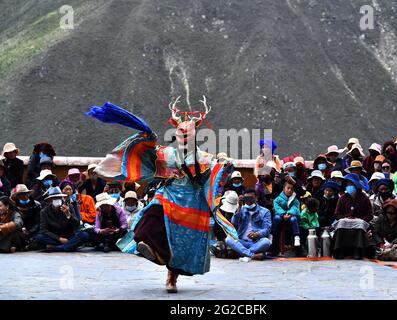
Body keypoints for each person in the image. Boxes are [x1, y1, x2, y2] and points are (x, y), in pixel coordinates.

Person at [87, 97, 238, 293]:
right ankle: (149, 248)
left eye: (187, 134)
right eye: (181, 133)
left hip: (192, 202)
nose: (184, 136)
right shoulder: (166, 154)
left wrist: (225, 163)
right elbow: (145, 160)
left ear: (193, 136)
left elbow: (217, 175)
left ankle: (171, 278)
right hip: (168, 195)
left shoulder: (204, 158)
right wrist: (145, 140)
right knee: (150, 217)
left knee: (181, 242)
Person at [34, 187, 89, 252]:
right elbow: (43, 230)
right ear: (51, 200)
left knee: (84, 235)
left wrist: (68, 214)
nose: (57, 199)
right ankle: (70, 246)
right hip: (55, 237)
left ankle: (57, 248)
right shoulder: (44, 211)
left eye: (59, 197)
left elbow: (76, 225)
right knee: (39, 238)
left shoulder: (69, 207)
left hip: (69, 236)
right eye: (55, 198)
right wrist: (59, 239)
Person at [333, 173, 373, 259]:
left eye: (351, 184)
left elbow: (370, 215)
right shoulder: (342, 198)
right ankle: (340, 250)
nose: (349, 186)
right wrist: (345, 218)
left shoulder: (364, 198)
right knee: (341, 223)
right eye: (347, 184)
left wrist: (359, 219)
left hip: (359, 220)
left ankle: (357, 250)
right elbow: (337, 214)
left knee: (360, 224)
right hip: (345, 220)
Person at [225, 189, 272, 262]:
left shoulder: (265, 211)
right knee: (229, 239)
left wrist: (257, 234)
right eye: (246, 198)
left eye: (251, 198)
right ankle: (252, 255)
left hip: (256, 242)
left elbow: (267, 229)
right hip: (242, 241)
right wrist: (239, 207)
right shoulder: (241, 209)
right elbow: (234, 222)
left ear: (256, 198)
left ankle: (241, 253)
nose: (249, 201)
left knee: (266, 242)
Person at [271, 179, 302, 256]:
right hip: (281, 217)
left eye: (291, 189)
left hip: (291, 217)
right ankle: (272, 237)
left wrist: (289, 214)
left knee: (294, 219)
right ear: (283, 189)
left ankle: (296, 237)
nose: (290, 190)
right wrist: (283, 214)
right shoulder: (278, 199)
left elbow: (295, 208)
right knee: (276, 218)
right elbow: (277, 208)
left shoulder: (295, 199)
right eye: (288, 188)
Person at [10, 184, 41, 249]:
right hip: (20, 229)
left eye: (26, 193)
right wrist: (22, 229)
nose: (25, 195)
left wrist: (29, 231)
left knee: (40, 236)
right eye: (22, 194)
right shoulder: (14, 207)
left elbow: (38, 222)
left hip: (33, 229)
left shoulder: (36, 205)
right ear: (18, 196)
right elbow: (15, 220)